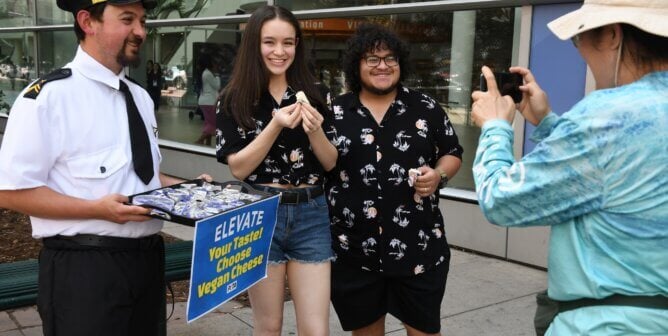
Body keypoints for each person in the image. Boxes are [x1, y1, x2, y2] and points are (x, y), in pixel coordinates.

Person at [0, 0, 210, 335]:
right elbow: (10, 193)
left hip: (147, 264)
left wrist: (192, 190)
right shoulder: (47, 98)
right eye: (127, 19)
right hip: (84, 272)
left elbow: (145, 177)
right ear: (87, 21)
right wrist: (97, 210)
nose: (140, 31)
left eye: (142, 20)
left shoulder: (140, 98)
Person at [470, 0, 668, 335]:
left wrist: (495, 127)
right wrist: (548, 124)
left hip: (609, 324)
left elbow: (500, 199)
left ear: (612, 36)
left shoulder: (606, 116)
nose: (581, 51)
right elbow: (617, 176)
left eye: (580, 38)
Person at [326, 24, 463, 336]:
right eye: (372, 59)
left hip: (419, 249)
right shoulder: (334, 113)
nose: (383, 66)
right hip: (353, 253)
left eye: (390, 59)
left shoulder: (425, 108)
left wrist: (438, 174)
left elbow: (453, 152)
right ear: (356, 65)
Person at [216, 5, 337, 335]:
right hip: (259, 212)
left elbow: (330, 162)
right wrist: (275, 124)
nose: (279, 51)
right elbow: (239, 168)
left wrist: (314, 129)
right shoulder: (234, 98)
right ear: (255, 43)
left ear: (297, 45)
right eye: (270, 42)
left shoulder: (317, 94)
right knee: (268, 325)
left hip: (311, 212)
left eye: (288, 42)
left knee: (316, 328)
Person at [195, 53, 220, 145]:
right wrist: (217, 75)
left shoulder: (203, 73)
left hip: (205, 101)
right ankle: (200, 140)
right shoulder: (208, 73)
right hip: (210, 102)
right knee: (213, 123)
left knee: (208, 122)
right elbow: (217, 86)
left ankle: (207, 142)